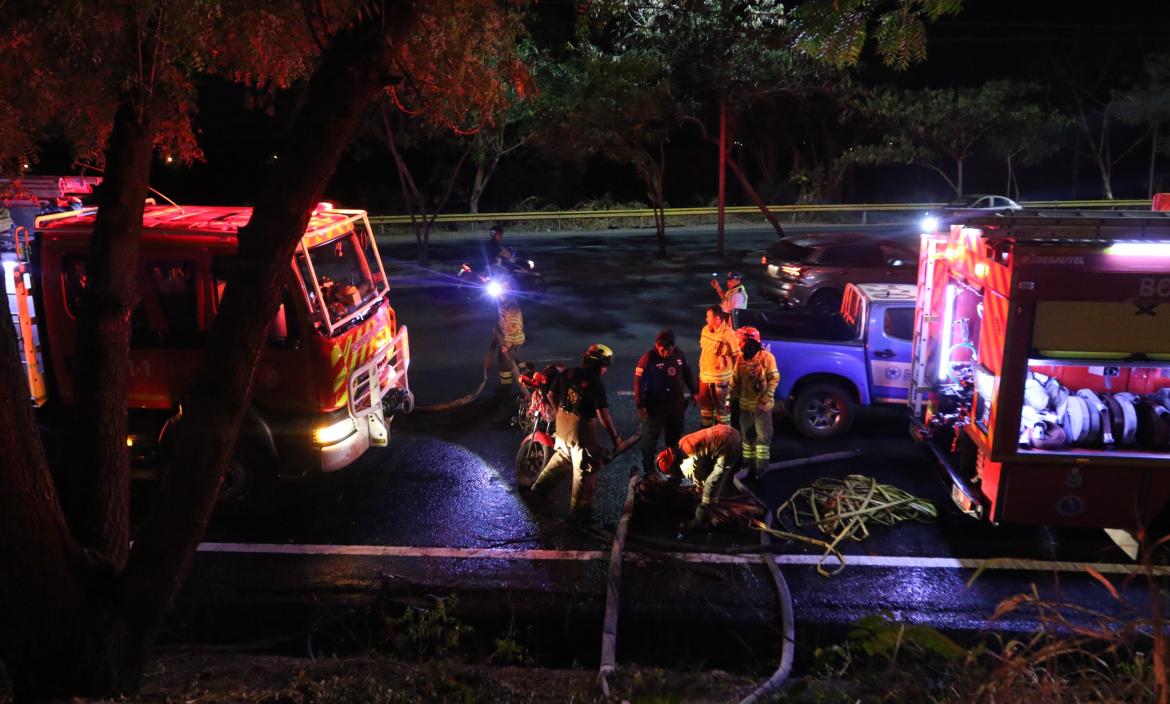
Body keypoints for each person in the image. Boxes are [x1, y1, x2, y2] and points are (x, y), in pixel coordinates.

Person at [529, 344, 623, 525]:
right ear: (599, 366)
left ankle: (538, 491)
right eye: (605, 366)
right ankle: (579, 514)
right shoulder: (596, 384)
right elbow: (603, 417)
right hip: (581, 430)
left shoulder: (568, 374)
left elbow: (550, 394)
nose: (605, 371)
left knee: (563, 456)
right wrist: (616, 438)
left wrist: (559, 413)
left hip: (562, 424)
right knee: (586, 471)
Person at [634, 329, 697, 477]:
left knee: (674, 435)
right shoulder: (648, 359)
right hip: (655, 407)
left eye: (669, 350)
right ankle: (649, 468)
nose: (666, 353)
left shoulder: (678, 354)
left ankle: (672, 463)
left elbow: (686, 372)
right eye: (663, 350)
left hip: (676, 406)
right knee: (650, 438)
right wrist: (640, 405)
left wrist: (694, 392)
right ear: (657, 345)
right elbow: (638, 383)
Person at [655, 424, 742, 530]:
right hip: (727, 431)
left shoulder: (688, 465)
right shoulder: (681, 444)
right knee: (712, 473)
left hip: (728, 443)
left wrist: (701, 490)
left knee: (711, 483)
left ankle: (701, 520)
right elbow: (703, 461)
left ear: (673, 466)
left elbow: (703, 481)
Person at [729, 326, 780, 478]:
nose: (738, 344)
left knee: (762, 439)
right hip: (745, 406)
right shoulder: (740, 358)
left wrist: (764, 400)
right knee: (747, 437)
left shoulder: (767, 358)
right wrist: (728, 398)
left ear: (748, 341)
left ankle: (760, 469)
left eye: (740, 341)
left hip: (761, 408)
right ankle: (746, 464)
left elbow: (774, 379)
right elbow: (735, 380)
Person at [697, 306, 739, 427]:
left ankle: (723, 434)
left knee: (722, 409)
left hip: (720, 380)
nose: (706, 319)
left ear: (717, 318)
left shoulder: (729, 334)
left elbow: (736, 356)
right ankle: (707, 430)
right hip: (705, 376)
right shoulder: (705, 330)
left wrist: (734, 378)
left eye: (709, 317)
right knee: (705, 407)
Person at [493, 293, 526, 391]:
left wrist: (507, 343)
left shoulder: (511, 308)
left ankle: (506, 384)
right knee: (514, 355)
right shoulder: (504, 303)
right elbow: (502, 320)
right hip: (513, 337)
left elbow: (513, 327)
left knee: (503, 359)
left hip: (513, 339)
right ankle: (525, 371)